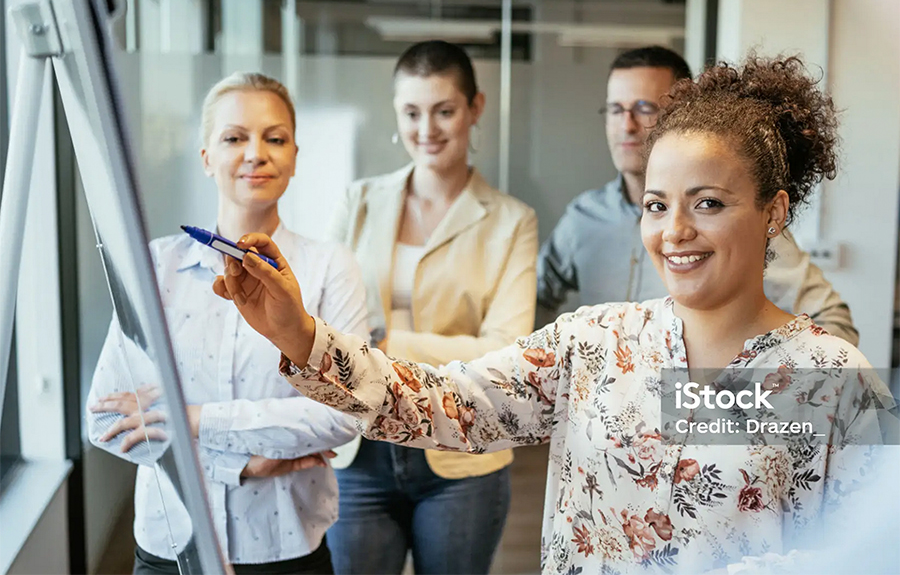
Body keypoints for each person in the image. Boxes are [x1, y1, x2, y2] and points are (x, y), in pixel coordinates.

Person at [213, 55, 893, 574]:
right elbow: (443, 403)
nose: (674, 230)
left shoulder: (829, 378)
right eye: (657, 205)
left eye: (708, 202)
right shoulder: (596, 343)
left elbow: (868, 553)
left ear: (773, 211)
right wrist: (298, 333)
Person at [86, 72, 369, 574]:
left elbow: (343, 415)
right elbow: (107, 420)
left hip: (287, 550)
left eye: (274, 138)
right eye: (234, 137)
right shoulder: (155, 267)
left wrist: (192, 419)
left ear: (295, 156)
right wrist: (242, 466)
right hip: (170, 546)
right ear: (206, 157)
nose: (255, 153)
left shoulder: (331, 268)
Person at [323, 40, 538, 575]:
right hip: (362, 446)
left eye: (444, 111)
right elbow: (322, 318)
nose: (428, 129)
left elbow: (506, 350)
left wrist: (385, 346)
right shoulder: (360, 201)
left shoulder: (513, 221)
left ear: (475, 108)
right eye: (412, 112)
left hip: (463, 448)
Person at [537, 46, 858, 344]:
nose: (627, 126)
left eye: (643, 108)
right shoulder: (583, 217)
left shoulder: (743, 226)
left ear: (680, 113)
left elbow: (832, 321)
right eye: (616, 110)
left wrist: (754, 391)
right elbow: (533, 301)